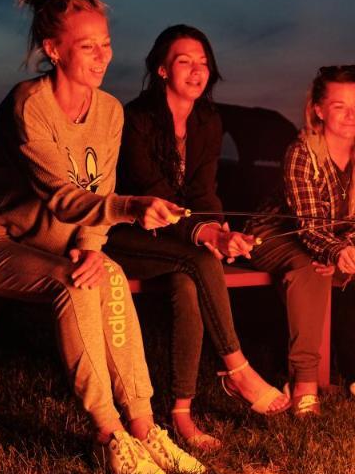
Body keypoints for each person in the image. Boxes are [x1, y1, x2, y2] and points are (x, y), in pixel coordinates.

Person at [0, 0, 205, 474]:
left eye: (106, 44)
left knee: (106, 274)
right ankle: (108, 435)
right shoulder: (29, 105)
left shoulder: (110, 111)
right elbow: (62, 195)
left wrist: (93, 247)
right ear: (54, 49)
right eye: (87, 47)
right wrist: (132, 208)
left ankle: (143, 427)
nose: (101, 56)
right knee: (73, 285)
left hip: (62, 243)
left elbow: (99, 189)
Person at [106, 25, 290, 449]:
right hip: (128, 234)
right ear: (163, 69)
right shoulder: (133, 119)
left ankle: (181, 414)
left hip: (178, 245)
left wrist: (222, 232)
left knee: (188, 285)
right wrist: (205, 236)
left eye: (203, 62)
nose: (197, 70)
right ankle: (237, 369)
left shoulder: (208, 120)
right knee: (201, 260)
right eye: (185, 61)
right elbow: (154, 192)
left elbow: (204, 191)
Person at [249, 65, 355, 417]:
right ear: (319, 109)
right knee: (308, 267)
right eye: (339, 106)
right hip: (279, 233)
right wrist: (335, 251)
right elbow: (307, 225)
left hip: (339, 241)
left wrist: (344, 248)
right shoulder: (303, 153)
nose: (351, 115)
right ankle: (304, 380)